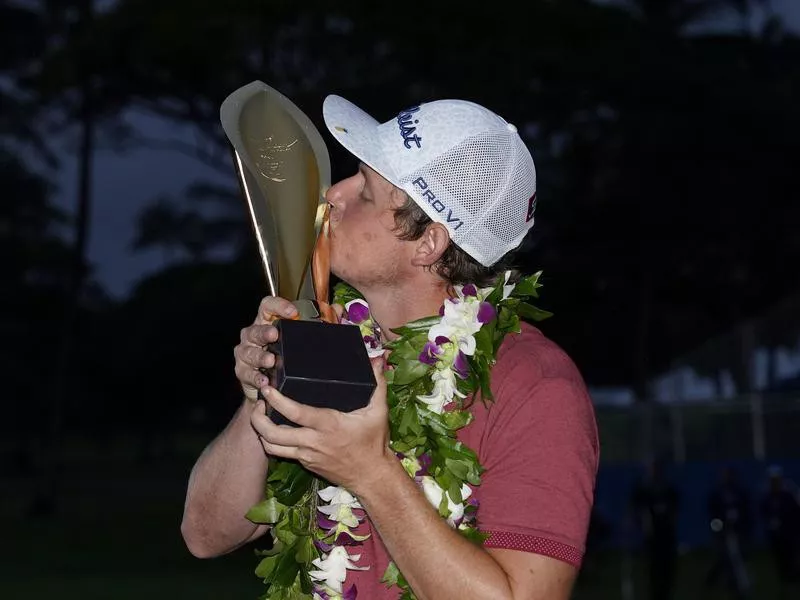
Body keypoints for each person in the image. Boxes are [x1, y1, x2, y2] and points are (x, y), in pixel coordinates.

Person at [180, 94, 600, 599]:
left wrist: (371, 473)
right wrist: (260, 391)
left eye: (366, 191)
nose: (333, 194)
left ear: (429, 244)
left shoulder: (535, 385)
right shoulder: (330, 339)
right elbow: (205, 535)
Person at [630, 457, 680, 600]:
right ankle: (654, 593)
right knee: (653, 567)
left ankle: (665, 592)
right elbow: (636, 509)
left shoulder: (668, 489)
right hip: (651, 535)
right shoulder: (643, 489)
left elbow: (674, 510)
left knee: (667, 567)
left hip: (667, 534)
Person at [704, 465, 753, 599]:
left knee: (739, 559)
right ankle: (724, 583)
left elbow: (746, 512)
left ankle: (740, 587)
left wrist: (744, 527)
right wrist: (719, 527)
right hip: (724, 533)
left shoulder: (740, 492)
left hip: (738, 531)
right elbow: (713, 513)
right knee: (725, 559)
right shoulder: (717, 493)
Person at [759, 465, 800, 592]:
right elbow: (764, 512)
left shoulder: (787, 494)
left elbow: (795, 512)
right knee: (779, 559)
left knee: (791, 557)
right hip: (775, 535)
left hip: (788, 533)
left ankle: (792, 580)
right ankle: (785, 582)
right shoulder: (767, 496)